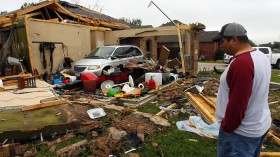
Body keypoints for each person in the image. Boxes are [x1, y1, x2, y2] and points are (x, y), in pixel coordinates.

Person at [212, 23, 271, 157]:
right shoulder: (261, 56)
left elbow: (237, 104)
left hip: (240, 133)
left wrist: (227, 127)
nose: (220, 45)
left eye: (222, 41)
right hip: (259, 124)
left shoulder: (242, 63)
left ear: (234, 39)